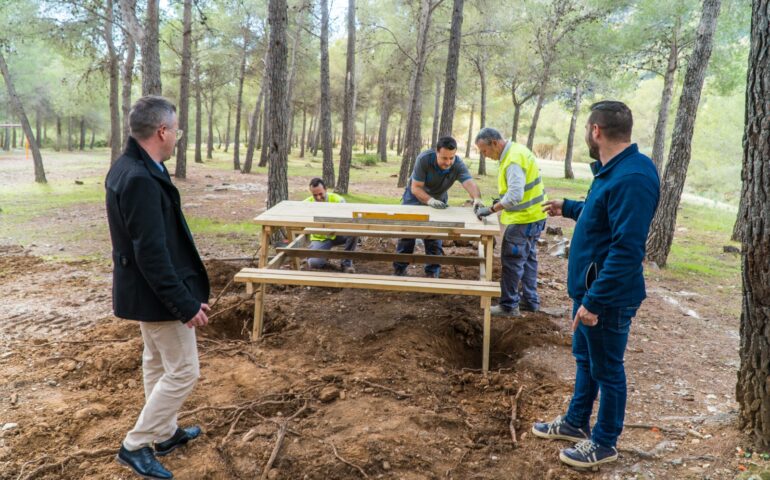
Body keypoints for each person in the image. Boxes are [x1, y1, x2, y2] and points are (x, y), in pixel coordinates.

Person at [531, 101, 660, 469]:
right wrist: (569, 207)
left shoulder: (634, 177)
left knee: (607, 368)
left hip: (606, 298)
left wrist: (595, 302)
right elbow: (602, 212)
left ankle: (604, 442)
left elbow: (627, 248)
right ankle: (575, 423)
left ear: (596, 131)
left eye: (588, 129)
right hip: (588, 292)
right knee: (586, 360)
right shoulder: (615, 169)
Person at [106, 96, 210, 480]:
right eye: (176, 129)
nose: (177, 137)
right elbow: (151, 254)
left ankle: (164, 434)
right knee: (184, 372)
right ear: (162, 131)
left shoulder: (132, 167)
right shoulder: (138, 178)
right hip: (158, 295)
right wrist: (184, 304)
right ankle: (135, 445)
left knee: (156, 363)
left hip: (144, 292)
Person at [474, 128, 548, 317]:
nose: (485, 155)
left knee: (512, 261)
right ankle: (530, 301)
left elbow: (515, 195)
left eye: (484, 151)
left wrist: (491, 209)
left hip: (524, 219)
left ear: (494, 143)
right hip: (535, 216)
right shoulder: (516, 151)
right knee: (529, 259)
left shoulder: (513, 159)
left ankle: (508, 306)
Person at [394, 136, 483, 278]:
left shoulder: (457, 164)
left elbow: (469, 182)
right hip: (414, 199)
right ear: (436, 152)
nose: (448, 162)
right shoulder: (424, 159)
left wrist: (477, 199)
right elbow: (415, 188)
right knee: (407, 235)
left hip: (439, 201)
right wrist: (430, 201)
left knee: (435, 237)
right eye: (444, 158)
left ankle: (432, 273)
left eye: (451, 158)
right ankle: (399, 269)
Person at [303, 177, 358, 273]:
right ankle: (324, 260)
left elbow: (349, 219)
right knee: (314, 263)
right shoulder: (306, 203)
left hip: (338, 234)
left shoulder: (338, 200)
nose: (318, 198)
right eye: (315, 195)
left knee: (354, 232)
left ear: (326, 189)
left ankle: (346, 264)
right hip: (320, 238)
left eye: (320, 194)